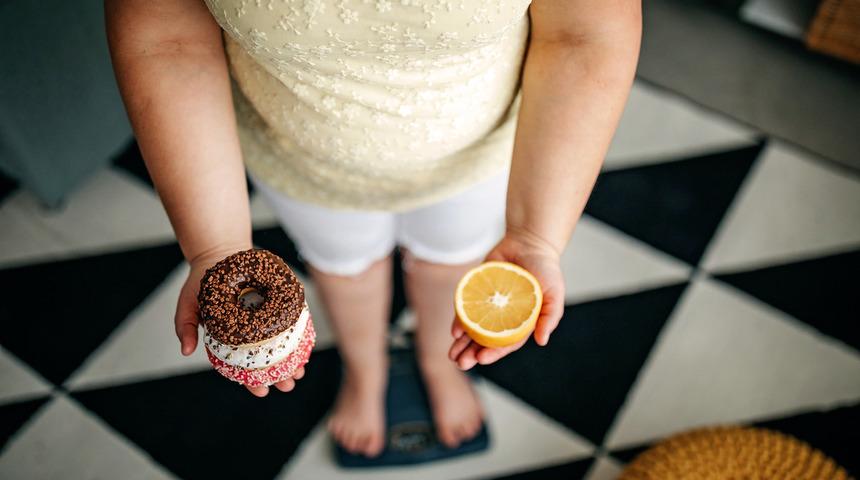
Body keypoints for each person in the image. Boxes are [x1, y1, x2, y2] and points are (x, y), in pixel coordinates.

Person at [105, 0, 641, 458]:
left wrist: (535, 234)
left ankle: (440, 363)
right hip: (302, 160)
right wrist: (215, 246)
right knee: (344, 270)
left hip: (475, 153)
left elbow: (584, 33)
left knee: (452, 264)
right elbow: (168, 39)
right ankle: (365, 370)